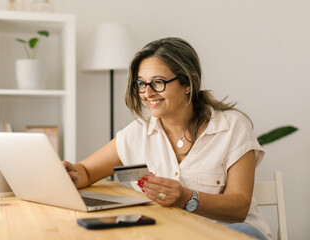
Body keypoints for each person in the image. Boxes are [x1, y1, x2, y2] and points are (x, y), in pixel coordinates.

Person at [63, 37, 272, 240]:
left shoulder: (232, 127)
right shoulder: (136, 134)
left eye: (158, 82)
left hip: (234, 233)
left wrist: (186, 197)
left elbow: (239, 207)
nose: (148, 93)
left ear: (187, 83)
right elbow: (87, 171)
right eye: (141, 84)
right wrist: (72, 173)